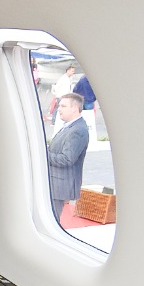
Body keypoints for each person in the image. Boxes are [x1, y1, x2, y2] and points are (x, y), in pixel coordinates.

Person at [47, 92, 89, 220]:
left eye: (63, 106)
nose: (59, 109)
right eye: (59, 106)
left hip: (59, 186)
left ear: (74, 108)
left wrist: (44, 155)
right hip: (55, 184)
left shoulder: (78, 130)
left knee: (52, 220)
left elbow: (67, 159)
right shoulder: (70, 126)